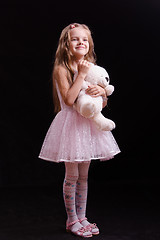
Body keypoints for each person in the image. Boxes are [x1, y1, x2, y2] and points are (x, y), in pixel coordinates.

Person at [39, 23, 120, 238]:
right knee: (72, 175)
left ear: (89, 44)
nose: (80, 42)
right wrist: (82, 75)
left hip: (88, 126)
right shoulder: (62, 69)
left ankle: (82, 217)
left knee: (84, 176)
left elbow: (100, 105)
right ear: (66, 45)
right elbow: (69, 99)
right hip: (70, 126)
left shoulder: (91, 67)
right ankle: (71, 219)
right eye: (75, 39)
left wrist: (101, 91)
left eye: (84, 39)